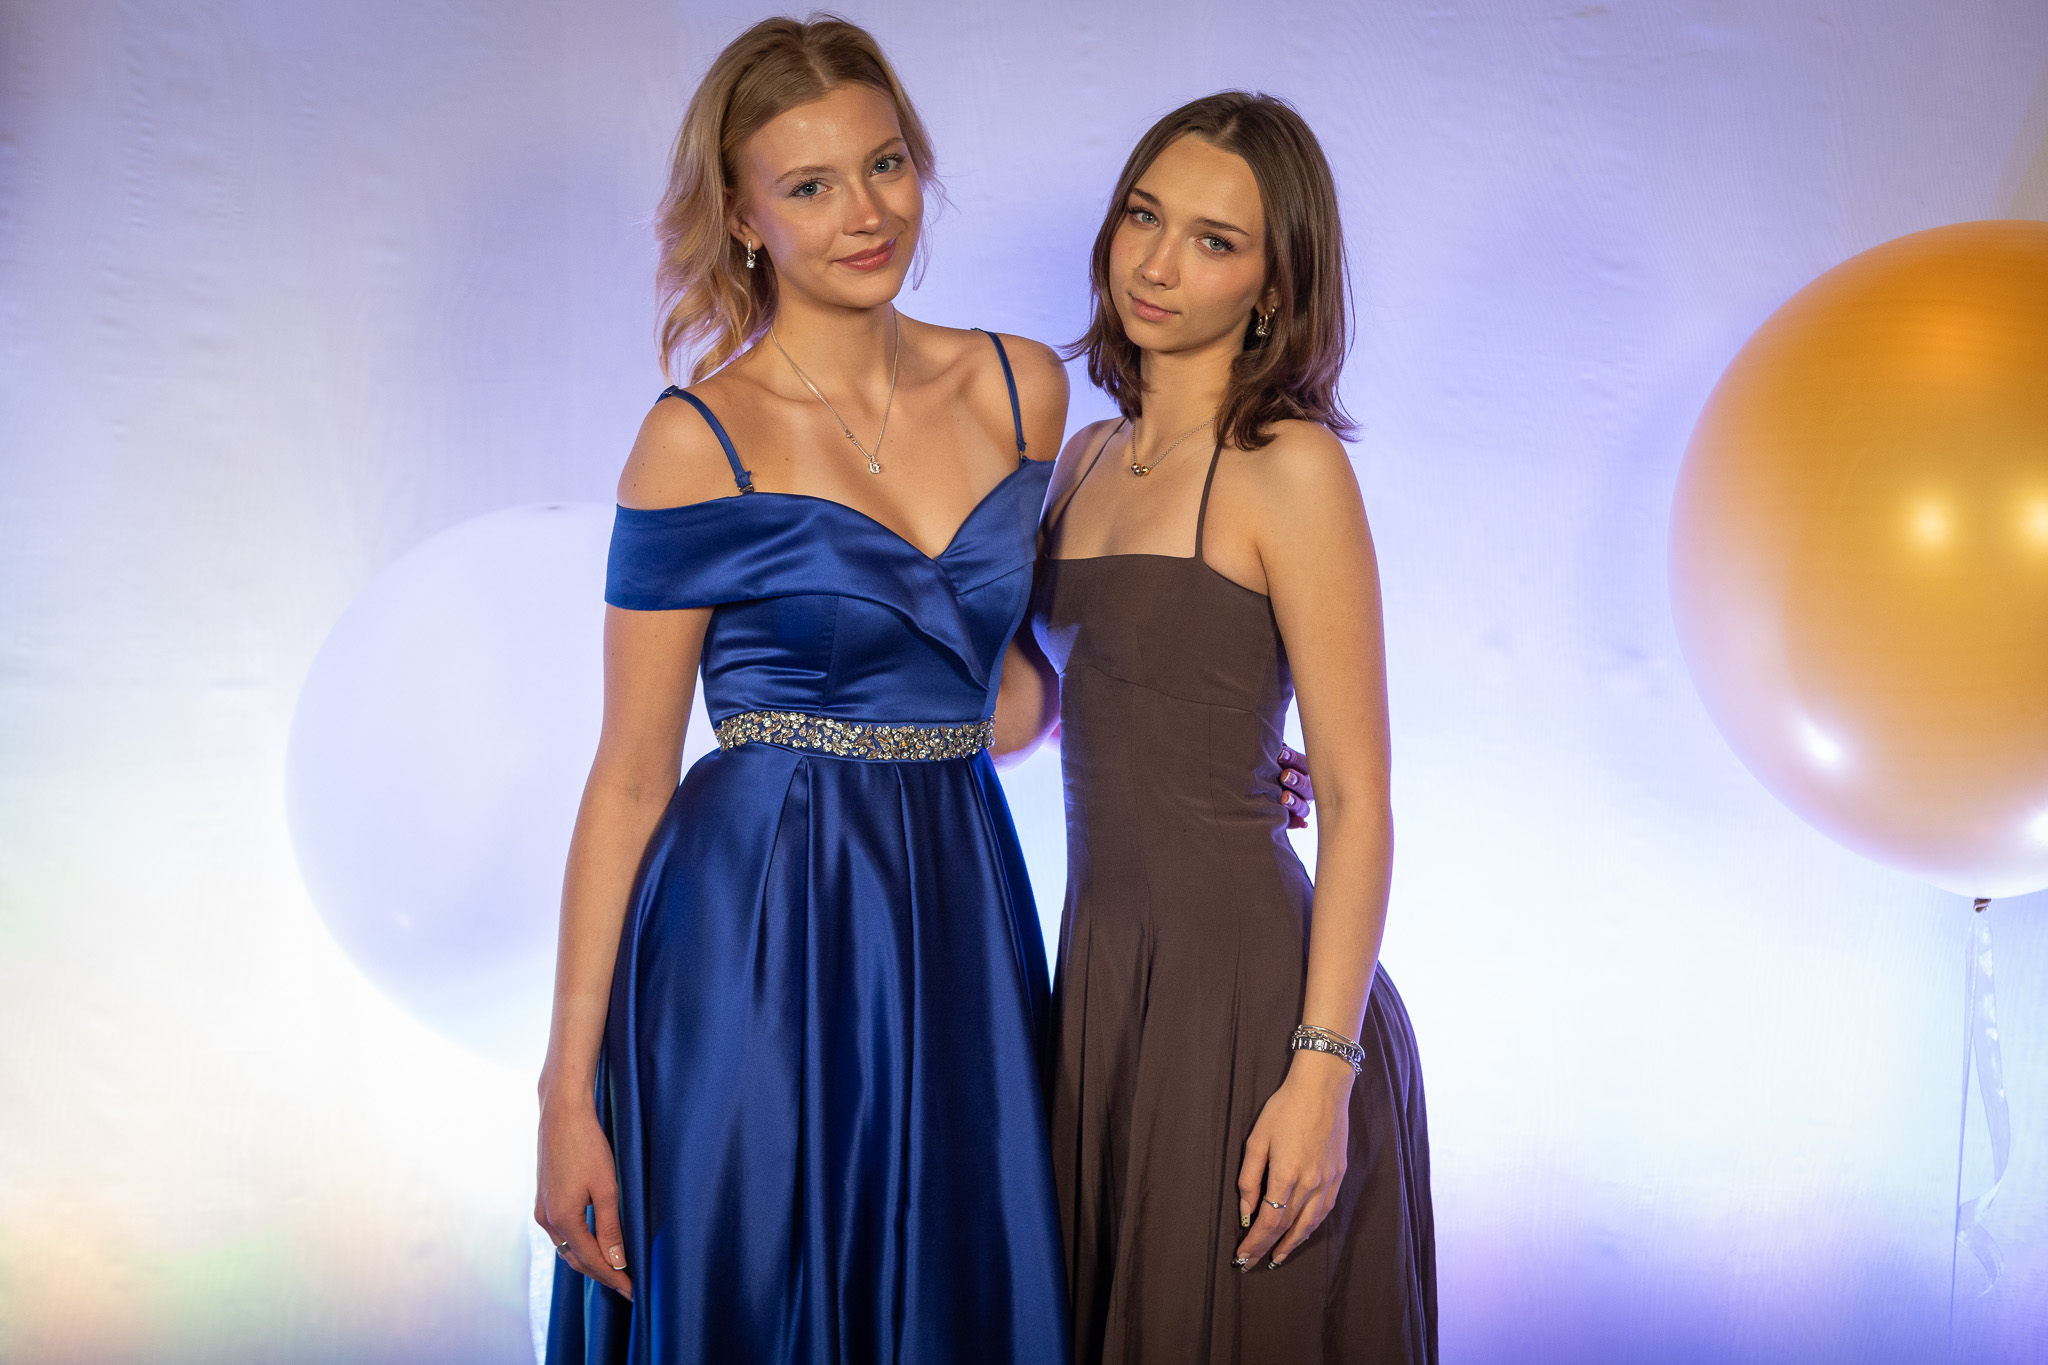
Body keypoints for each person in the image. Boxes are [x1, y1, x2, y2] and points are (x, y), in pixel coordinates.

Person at [532, 18, 1073, 1361]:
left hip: (956, 904)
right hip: (758, 924)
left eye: (884, 165)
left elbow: (1016, 690)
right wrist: (564, 1092)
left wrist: (1215, 743)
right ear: (743, 217)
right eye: (811, 186)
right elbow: (631, 777)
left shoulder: (1021, 390)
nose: (865, 214)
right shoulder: (693, 440)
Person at [1020, 92, 1437, 1363]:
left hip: (1254, 1002)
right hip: (1104, 987)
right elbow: (1044, 707)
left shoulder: (1288, 466)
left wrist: (1322, 1072)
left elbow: (1358, 801)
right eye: (1143, 218)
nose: (1156, 264)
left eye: (1213, 241)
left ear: (1273, 286)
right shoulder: (1082, 456)